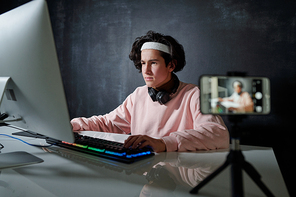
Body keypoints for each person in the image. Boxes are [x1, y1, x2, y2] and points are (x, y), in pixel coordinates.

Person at [71, 31, 229, 153]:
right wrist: (71, 125)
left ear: (171, 65)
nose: (145, 70)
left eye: (153, 63)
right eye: (143, 63)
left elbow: (217, 134)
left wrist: (164, 143)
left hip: (180, 176)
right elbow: (109, 123)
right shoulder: (139, 95)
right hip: (144, 172)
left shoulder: (195, 94)